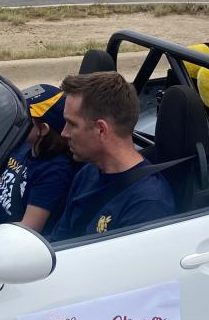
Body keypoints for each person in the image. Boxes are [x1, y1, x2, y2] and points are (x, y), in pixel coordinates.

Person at [50, 72, 174, 241]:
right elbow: (60, 239)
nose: (64, 133)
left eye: (72, 124)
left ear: (101, 129)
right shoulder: (87, 173)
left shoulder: (148, 204)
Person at [0, 85, 76, 234]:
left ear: (43, 129)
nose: (18, 121)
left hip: (3, 236)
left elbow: (29, 227)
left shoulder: (55, 171)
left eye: (25, 119)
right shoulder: (23, 147)